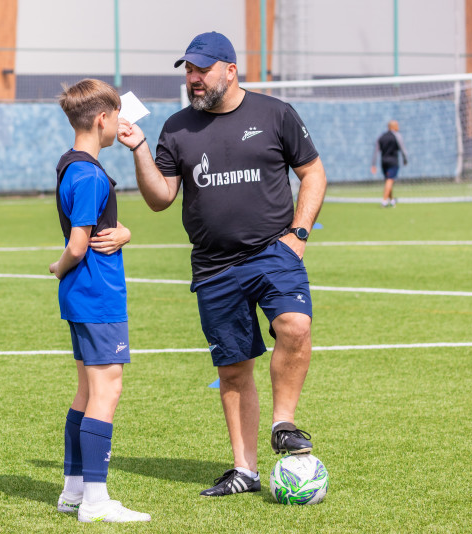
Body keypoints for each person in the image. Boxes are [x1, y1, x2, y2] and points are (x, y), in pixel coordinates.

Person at [117, 32, 327, 497]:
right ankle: (244, 471)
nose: (193, 79)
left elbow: (312, 173)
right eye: (188, 71)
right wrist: (139, 149)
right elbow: (160, 199)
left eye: (202, 69)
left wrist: (299, 233)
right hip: (214, 266)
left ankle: (284, 422)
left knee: (294, 326)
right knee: (233, 368)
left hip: (275, 251)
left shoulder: (274, 113)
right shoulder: (176, 128)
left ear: (230, 70)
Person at [50, 79, 150, 523]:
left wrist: (125, 231)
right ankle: (95, 500)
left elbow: (95, 225)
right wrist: (58, 265)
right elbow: (77, 244)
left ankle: (73, 491)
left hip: (82, 297)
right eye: (115, 117)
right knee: (107, 390)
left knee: (87, 391)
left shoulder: (72, 166)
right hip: (97, 295)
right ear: (102, 120)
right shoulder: (88, 173)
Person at [371, 120, 408, 207]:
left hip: (383, 162)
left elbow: (376, 152)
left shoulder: (381, 137)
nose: (398, 127)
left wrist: (373, 164)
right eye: (397, 125)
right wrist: (405, 159)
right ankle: (384, 201)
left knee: (388, 180)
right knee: (390, 180)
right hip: (393, 161)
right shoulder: (397, 136)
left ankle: (391, 200)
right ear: (393, 126)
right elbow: (403, 149)